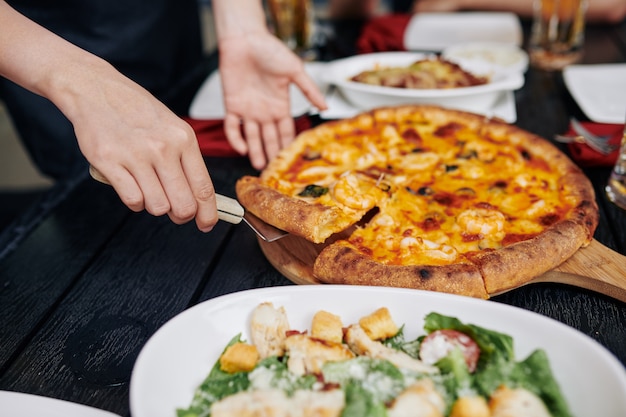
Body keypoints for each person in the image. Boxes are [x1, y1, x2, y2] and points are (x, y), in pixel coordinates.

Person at [0, 0, 326, 233]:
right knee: (90, 200)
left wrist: (242, 24)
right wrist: (77, 78)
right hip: (44, 41)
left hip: (165, 23)